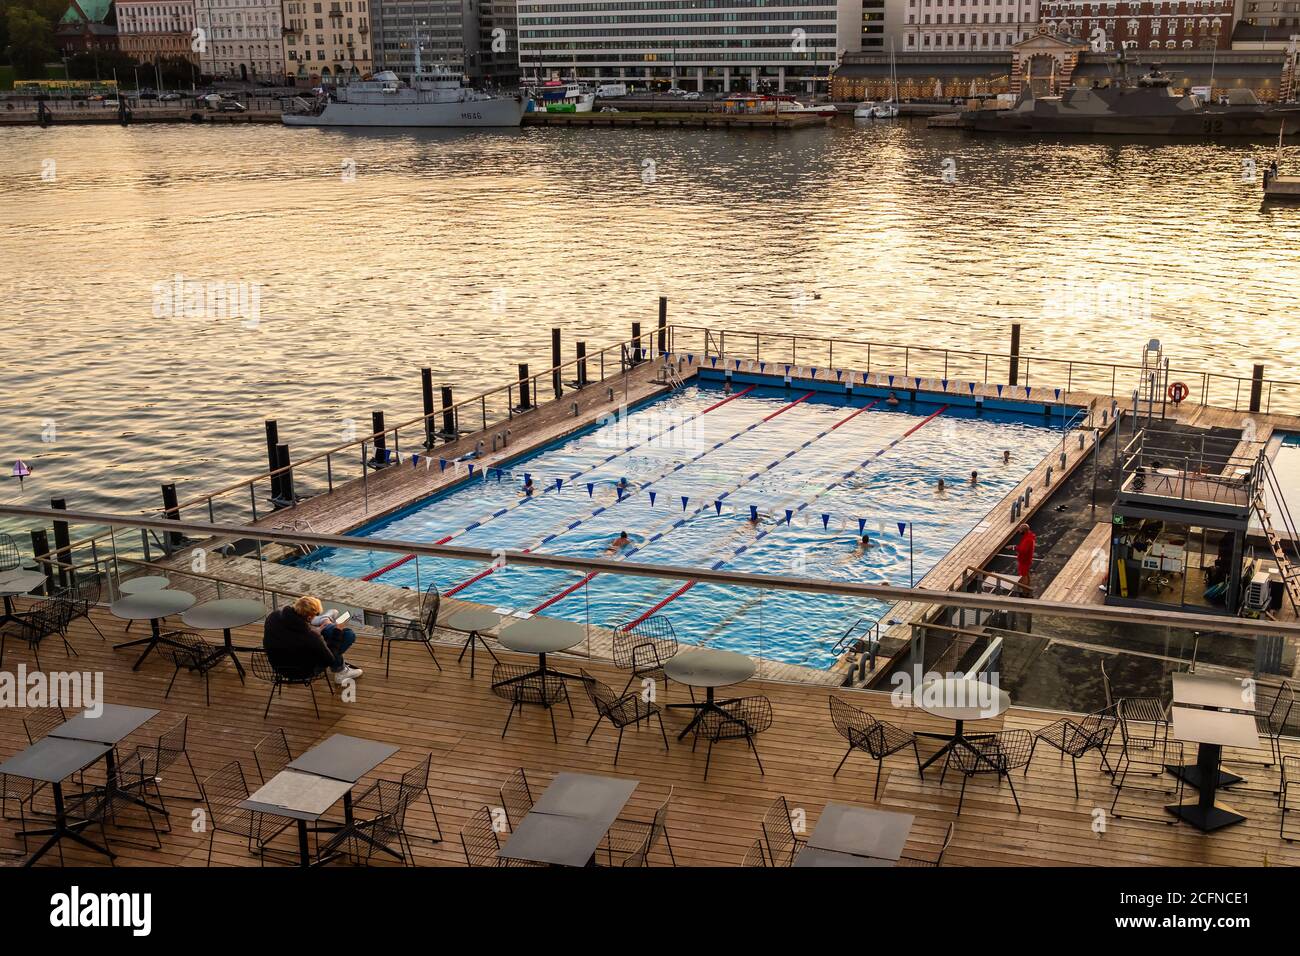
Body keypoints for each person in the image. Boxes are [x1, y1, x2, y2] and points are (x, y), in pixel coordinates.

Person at [263, 595, 361, 684]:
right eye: (316, 614)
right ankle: (341, 672)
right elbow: (330, 660)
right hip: (303, 671)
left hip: (278, 666)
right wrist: (338, 631)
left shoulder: (273, 617)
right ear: (309, 618)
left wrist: (316, 631)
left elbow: (290, 636)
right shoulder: (310, 637)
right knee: (347, 635)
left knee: (326, 632)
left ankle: (324, 620)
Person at [1015, 522, 1036, 592]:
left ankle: (1025, 591)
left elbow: (1023, 550)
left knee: (1024, 575)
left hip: (1024, 560)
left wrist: (1014, 547)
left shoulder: (1028, 539)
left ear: (1024, 531)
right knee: (1026, 573)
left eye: (1020, 530)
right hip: (1026, 559)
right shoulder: (1029, 537)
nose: (1019, 531)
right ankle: (1028, 588)